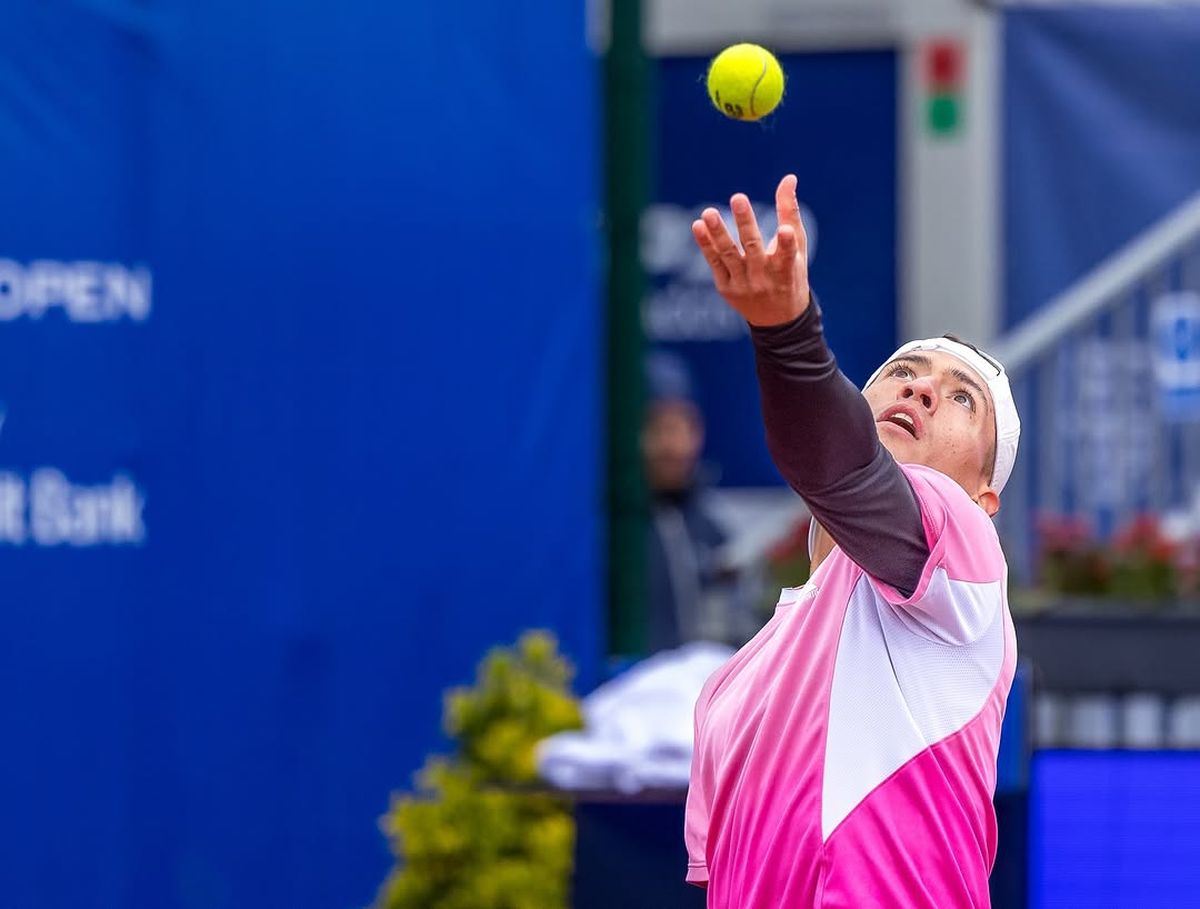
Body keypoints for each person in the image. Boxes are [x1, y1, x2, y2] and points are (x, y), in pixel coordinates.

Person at [683, 174, 1021, 908]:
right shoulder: (729, 689)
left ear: (983, 500)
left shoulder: (963, 549)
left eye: (962, 398)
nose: (921, 390)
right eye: (902, 372)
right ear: (859, 405)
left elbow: (838, 466)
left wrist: (786, 332)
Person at [642, 351, 746, 651]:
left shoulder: (715, 525)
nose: (673, 446)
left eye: (683, 427)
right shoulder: (608, 528)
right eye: (657, 428)